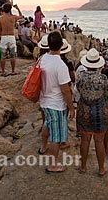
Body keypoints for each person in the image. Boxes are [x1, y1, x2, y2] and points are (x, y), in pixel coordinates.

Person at [39, 31, 75, 174]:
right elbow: (65, 91)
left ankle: (42, 147)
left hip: (45, 101)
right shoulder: (60, 65)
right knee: (56, 136)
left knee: (47, 124)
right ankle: (53, 165)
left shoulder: (42, 59)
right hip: (56, 104)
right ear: (61, 45)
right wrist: (71, 108)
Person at [75, 48, 108, 176]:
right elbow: (106, 93)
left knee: (84, 140)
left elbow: (78, 89)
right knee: (99, 141)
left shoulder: (80, 76)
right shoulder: (103, 78)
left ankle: (83, 167)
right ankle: (101, 169)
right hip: (99, 112)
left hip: (84, 111)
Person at [0, 3, 23, 76]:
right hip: (11, 37)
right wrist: (17, 8)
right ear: (10, 9)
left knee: (3, 56)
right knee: (12, 55)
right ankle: (13, 71)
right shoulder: (13, 17)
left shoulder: (0, 18)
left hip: (4, 37)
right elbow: (21, 16)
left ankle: (3, 71)